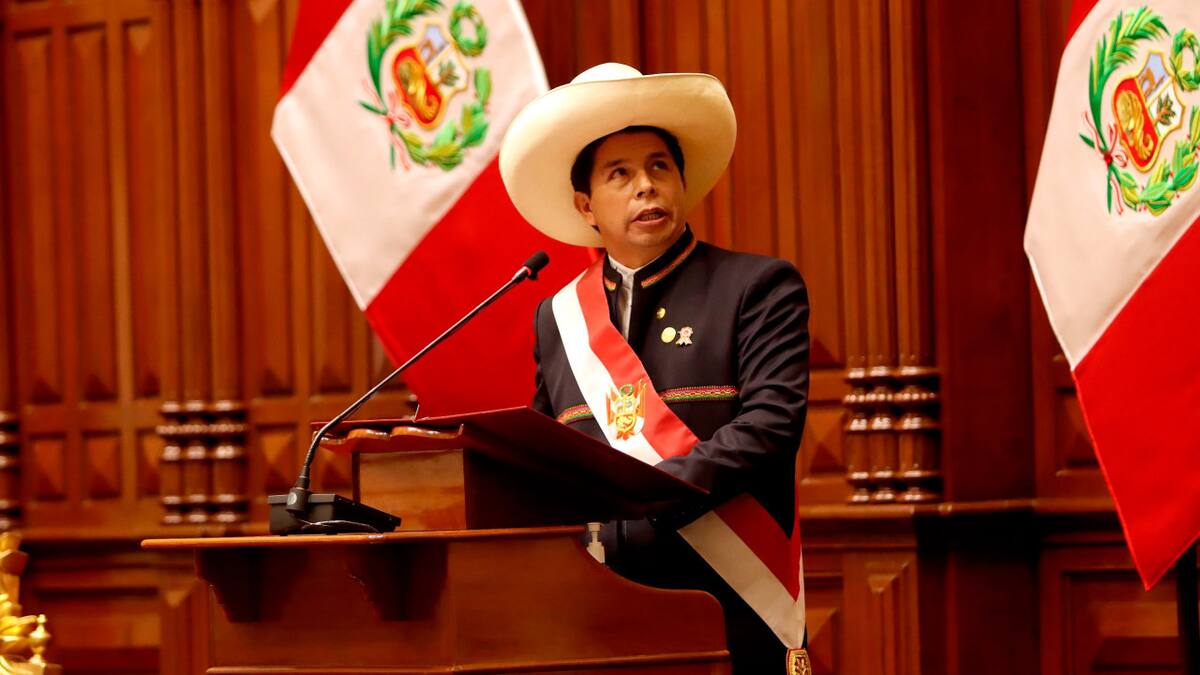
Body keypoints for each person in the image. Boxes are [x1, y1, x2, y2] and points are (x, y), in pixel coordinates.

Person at [499, 63, 811, 675]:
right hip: (598, 609)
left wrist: (648, 494)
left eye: (659, 167)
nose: (646, 186)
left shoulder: (756, 286)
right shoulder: (558, 318)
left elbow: (772, 426)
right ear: (586, 206)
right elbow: (545, 459)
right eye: (621, 174)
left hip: (728, 600)